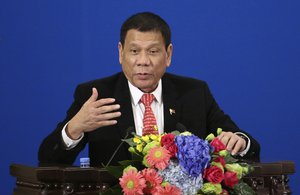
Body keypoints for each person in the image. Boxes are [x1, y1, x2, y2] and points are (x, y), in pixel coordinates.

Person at [38, 12, 260, 166]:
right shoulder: (96, 96)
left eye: (153, 51)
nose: (143, 61)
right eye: (134, 51)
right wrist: (74, 128)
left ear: (168, 54)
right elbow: (48, 159)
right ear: (120, 52)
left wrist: (239, 142)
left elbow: (248, 146)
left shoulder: (194, 93)